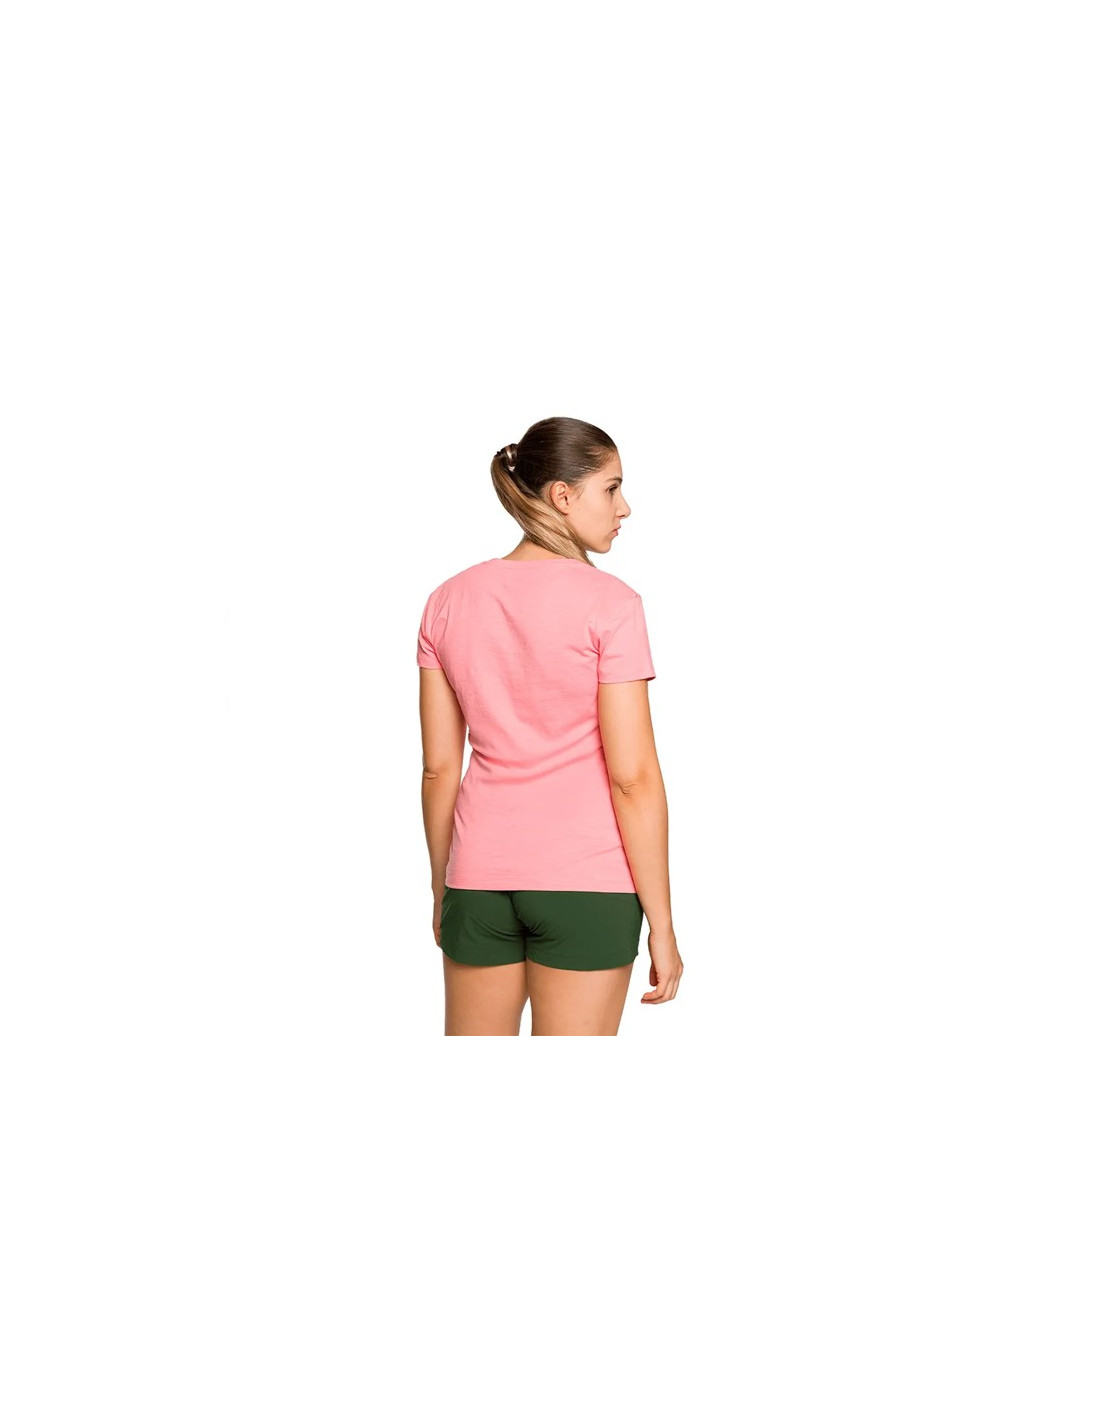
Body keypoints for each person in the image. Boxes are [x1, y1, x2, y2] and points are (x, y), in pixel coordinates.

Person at [417, 415, 683, 1036]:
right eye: (611, 488)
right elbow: (633, 778)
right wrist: (663, 923)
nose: (624, 507)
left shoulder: (447, 600)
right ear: (563, 495)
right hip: (586, 883)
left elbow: (438, 769)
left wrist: (444, 888)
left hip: (477, 880)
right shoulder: (612, 605)